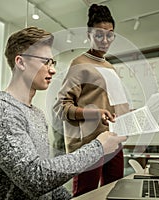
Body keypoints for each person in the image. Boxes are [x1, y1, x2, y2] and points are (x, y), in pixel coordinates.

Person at [0, 26, 127, 200]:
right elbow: (35, 178)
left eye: (52, 62)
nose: (52, 70)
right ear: (21, 62)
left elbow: (48, 183)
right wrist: (98, 147)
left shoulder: (37, 114)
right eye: (44, 61)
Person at [53, 4, 130, 197]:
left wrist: (129, 117)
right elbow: (61, 107)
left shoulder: (110, 67)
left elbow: (113, 102)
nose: (105, 40)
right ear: (89, 35)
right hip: (89, 145)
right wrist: (94, 113)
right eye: (99, 35)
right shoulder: (79, 64)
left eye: (110, 34)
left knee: (115, 192)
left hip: (114, 141)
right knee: (85, 195)